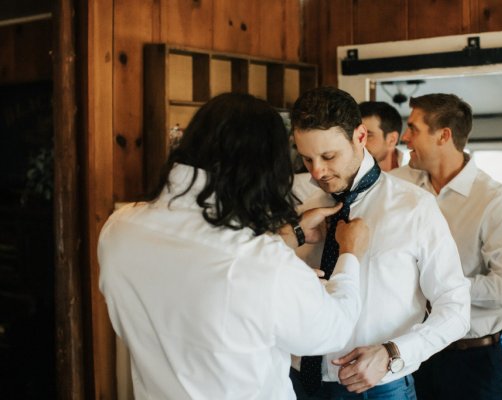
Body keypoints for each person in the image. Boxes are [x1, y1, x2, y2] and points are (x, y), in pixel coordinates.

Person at [98, 92, 372, 400]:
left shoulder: (119, 230)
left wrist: (289, 237)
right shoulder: (264, 264)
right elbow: (330, 331)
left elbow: (200, 275)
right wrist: (349, 255)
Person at [289, 87, 471, 400]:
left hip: (379, 388)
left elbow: (456, 309)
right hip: (296, 383)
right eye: (307, 159)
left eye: (329, 156)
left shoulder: (414, 208)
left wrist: (392, 353)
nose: (317, 171)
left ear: (360, 137)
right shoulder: (303, 213)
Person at [392, 93, 502, 400]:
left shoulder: (494, 202)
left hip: (472, 362)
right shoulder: (397, 185)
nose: (404, 138)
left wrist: (445, 284)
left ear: (443, 135)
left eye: (413, 128)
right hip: (411, 353)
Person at [359, 101, 404, 171]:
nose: (357, 143)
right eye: (355, 136)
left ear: (392, 140)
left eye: (368, 135)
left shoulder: (412, 179)